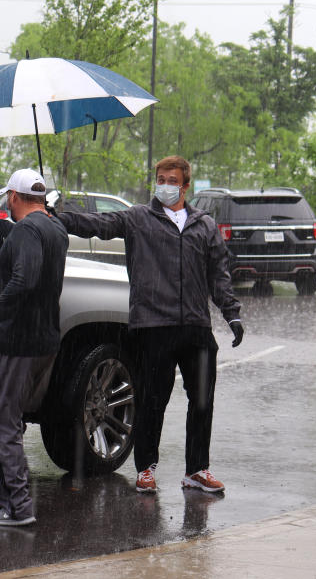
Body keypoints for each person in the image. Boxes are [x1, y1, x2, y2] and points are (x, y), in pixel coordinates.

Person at [55, 155, 243, 494]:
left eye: (172, 180)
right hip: (153, 326)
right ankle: (146, 469)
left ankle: (197, 469)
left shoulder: (204, 225)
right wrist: (59, 217)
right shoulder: (139, 218)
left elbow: (219, 276)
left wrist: (233, 313)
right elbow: (98, 223)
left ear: (186, 185)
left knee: (202, 400)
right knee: (153, 399)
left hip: (196, 327)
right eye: (160, 178)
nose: (165, 185)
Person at [0, 168, 68, 527]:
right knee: (7, 417)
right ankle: (5, 491)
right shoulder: (53, 227)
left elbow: (24, 279)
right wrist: (9, 232)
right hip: (44, 340)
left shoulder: (28, 230)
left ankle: (16, 504)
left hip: (17, 341)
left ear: (13, 196)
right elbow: (36, 251)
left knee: (1, 421)